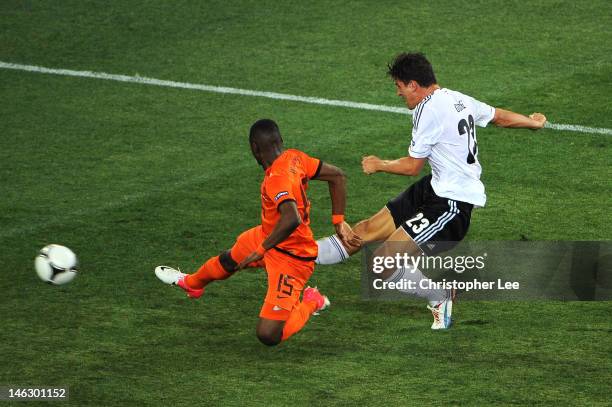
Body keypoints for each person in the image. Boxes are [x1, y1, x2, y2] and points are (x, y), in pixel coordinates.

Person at [316, 52, 547, 329]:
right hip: (434, 187)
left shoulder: (428, 110)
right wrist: (532, 122)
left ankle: (439, 295)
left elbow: (413, 165)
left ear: (414, 84)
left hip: (451, 205)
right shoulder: (458, 99)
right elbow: (498, 116)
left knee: (382, 263)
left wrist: (379, 164)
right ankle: (297, 253)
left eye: (399, 87)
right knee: (363, 232)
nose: (398, 94)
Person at [155, 119, 359, 346]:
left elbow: (292, 218)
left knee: (268, 335)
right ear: (280, 141)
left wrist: (262, 250)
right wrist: (338, 220)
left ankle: (312, 301)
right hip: (267, 234)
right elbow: (337, 176)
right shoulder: (295, 157)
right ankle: (192, 284)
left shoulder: (276, 180)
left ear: (254, 148)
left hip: (292, 258)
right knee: (229, 259)